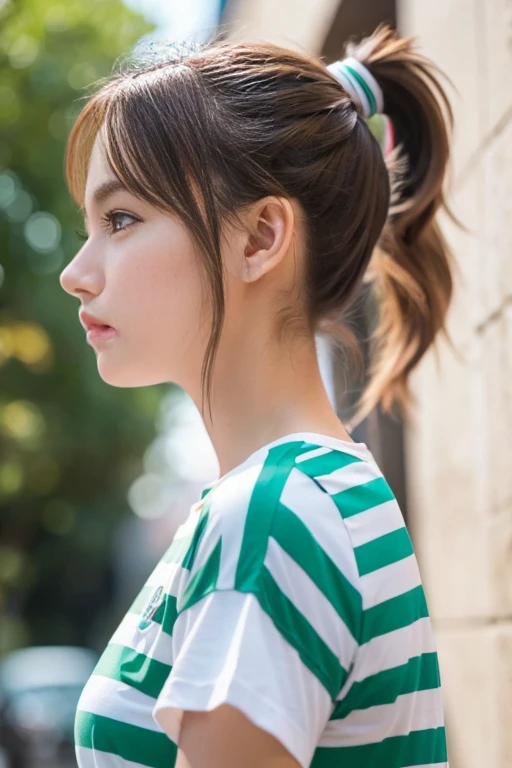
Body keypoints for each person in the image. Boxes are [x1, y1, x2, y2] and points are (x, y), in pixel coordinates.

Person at [59, 22, 453, 768]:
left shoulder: (276, 516)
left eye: (120, 219)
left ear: (259, 237)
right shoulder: (300, 496)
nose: (76, 272)